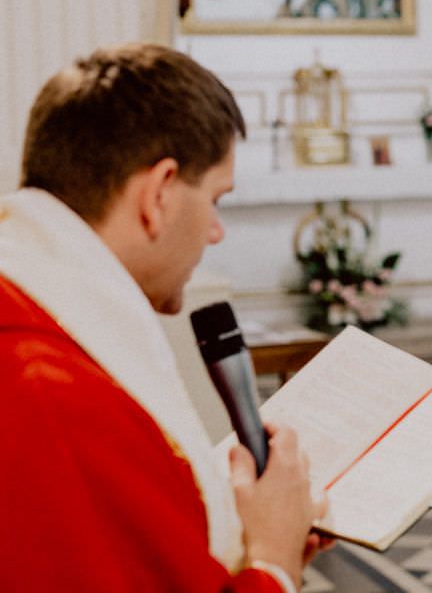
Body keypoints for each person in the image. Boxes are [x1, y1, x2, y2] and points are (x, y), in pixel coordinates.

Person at [0, 43, 327, 592]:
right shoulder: (55, 395)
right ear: (159, 194)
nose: (216, 232)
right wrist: (272, 561)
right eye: (217, 199)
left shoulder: (36, 318)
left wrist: (259, 535)